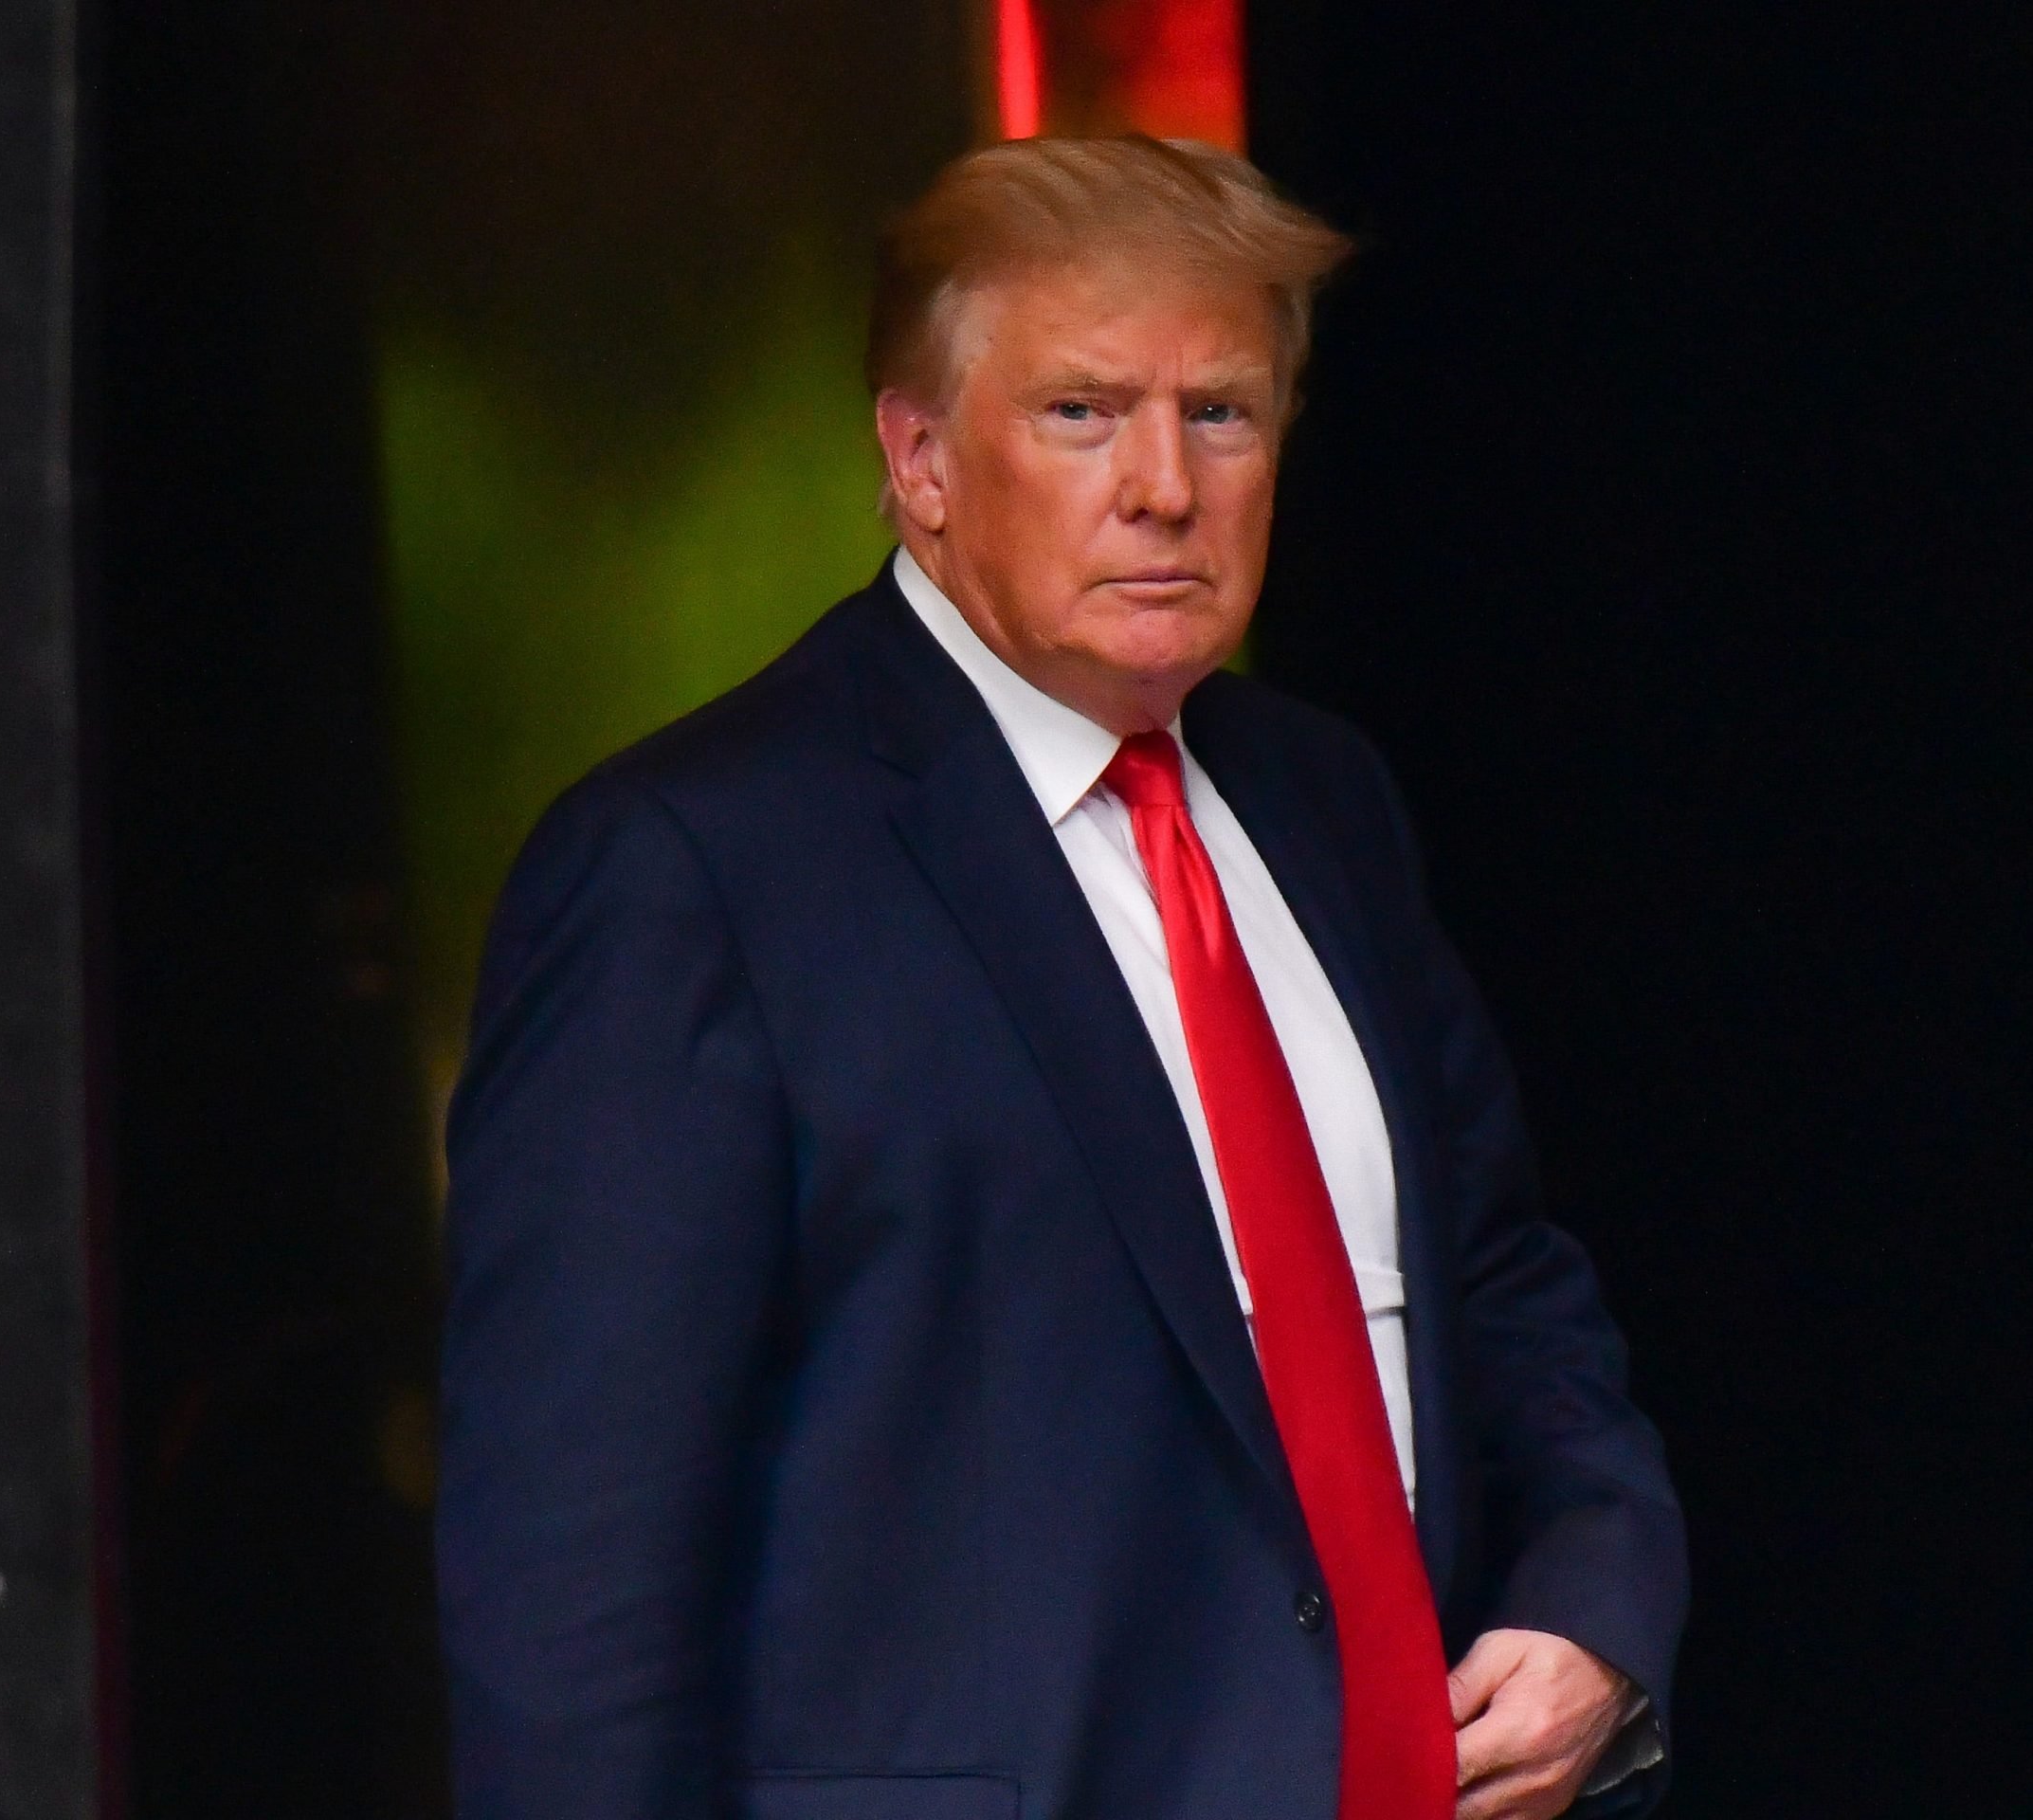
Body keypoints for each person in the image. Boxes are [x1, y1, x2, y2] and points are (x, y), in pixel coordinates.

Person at [439, 136, 1686, 1820]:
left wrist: (1595, 1597)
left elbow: (1497, 1276)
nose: (1165, 484)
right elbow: (575, 1603)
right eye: (1084, 412)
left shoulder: (1323, 799)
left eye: (1222, 413)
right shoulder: (691, 869)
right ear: (923, 459)